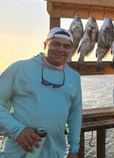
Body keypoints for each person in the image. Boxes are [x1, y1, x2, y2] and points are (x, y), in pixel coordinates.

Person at [0, 27, 83, 158]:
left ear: (71, 50)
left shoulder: (74, 77)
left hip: (54, 153)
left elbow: (75, 113)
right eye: (55, 44)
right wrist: (17, 130)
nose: (61, 50)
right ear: (45, 44)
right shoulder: (20, 68)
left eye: (66, 46)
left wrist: (74, 149)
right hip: (16, 153)